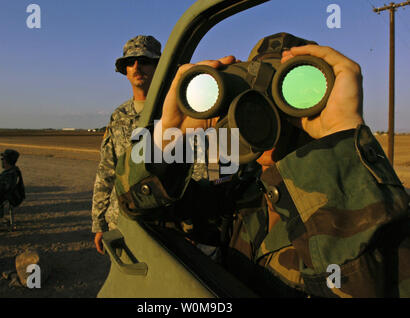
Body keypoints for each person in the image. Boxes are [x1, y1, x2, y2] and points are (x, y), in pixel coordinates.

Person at [114, 38, 410, 297]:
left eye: (285, 97)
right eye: (250, 99)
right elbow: (139, 207)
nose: (265, 113)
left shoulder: (376, 207)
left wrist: (339, 137)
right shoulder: (239, 191)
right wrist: (168, 133)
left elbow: (374, 284)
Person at [91, 35, 162, 254]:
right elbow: (106, 170)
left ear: (159, 66)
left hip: (161, 224)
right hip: (120, 222)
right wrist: (99, 223)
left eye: (145, 60)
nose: (137, 66)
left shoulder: (172, 112)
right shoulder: (119, 116)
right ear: (125, 70)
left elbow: (195, 171)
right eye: (130, 62)